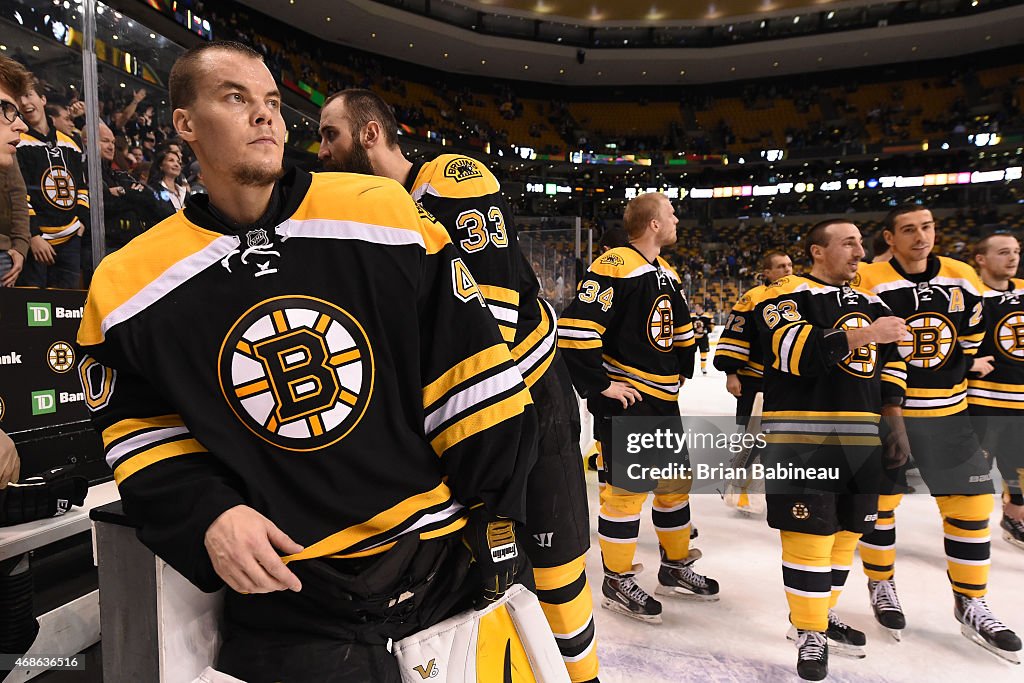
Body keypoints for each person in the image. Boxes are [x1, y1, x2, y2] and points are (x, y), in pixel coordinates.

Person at [77, 41, 540, 682]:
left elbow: (471, 378)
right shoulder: (127, 286)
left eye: (270, 101)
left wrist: (496, 519)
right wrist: (207, 513)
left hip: (439, 561)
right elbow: (141, 435)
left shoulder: (382, 214)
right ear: (184, 123)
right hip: (291, 596)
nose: (265, 116)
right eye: (236, 98)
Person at [317, 88, 599, 683]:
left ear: (370, 135)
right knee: (491, 570)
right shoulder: (373, 214)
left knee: (554, 560)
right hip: (458, 410)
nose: (321, 152)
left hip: (523, 397)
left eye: (330, 134)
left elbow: (486, 324)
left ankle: (584, 677)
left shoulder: (452, 177)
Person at [854, 204, 1021, 662]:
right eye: (909, 230)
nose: (921, 236)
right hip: (889, 418)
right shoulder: (867, 279)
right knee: (881, 509)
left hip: (950, 415)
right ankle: (881, 582)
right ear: (890, 238)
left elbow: (969, 344)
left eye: (927, 227)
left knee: (969, 507)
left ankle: (971, 600)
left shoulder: (963, 275)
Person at [750, 220, 909, 681]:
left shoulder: (871, 303)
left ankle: (820, 613)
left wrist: (894, 416)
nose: (861, 250)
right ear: (818, 252)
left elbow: (892, 363)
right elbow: (794, 352)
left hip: (861, 438)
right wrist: (868, 335)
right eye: (849, 243)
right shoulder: (783, 295)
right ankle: (810, 631)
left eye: (862, 242)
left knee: (847, 534)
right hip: (803, 439)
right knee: (810, 539)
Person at [558, 192, 718, 625]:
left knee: (673, 488)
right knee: (625, 495)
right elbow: (575, 330)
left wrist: (684, 367)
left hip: (662, 401)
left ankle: (675, 564)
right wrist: (601, 384)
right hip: (632, 402)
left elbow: (681, 329)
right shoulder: (614, 266)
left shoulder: (665, 271)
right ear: (652, 224)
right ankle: (616, 578)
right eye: (670, 213)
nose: (677, 219)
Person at [968, 233, 1024, 551]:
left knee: (1019, 468)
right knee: (975, 473)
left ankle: (1015, 517)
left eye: (1016, 251)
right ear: (981, 258)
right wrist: (967, 361)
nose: (1013, 258)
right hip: (981, 400)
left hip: (1020, 398)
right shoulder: (970, 295)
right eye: (1004, 252)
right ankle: (966, 530)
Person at [16, 76, 89, 288]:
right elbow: (19, 192)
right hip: (37, 241)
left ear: (43, 99)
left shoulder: (71, 143)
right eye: (20, 99)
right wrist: (33, 235)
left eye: (29, 95)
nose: (25, 103)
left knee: (67, 309)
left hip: (70, 237)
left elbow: (82, 188)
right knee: (34, 311)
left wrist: (81, 223)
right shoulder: (17, 141)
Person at [715, 250, 793, 426]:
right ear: (767, 273)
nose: (788, 270)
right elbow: (735, 334)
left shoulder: (801, 295)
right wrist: (731, 373)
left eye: (789, 265)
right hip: (755, 379)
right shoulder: (753, 297)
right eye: (781, 266)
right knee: (749, 434)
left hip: (789, 378)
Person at [690, 303, 714, 374]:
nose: (696, 308)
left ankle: (703, 367)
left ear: (701, 308)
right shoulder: (691, 315)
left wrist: (705, 331)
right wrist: (694, 331)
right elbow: (688, 325)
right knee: (691, 353)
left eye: (697, 307)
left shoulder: (707, 316)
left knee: (703, 352)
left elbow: (712, 326)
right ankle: (690, 367)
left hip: (703, 338)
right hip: (693, 337)